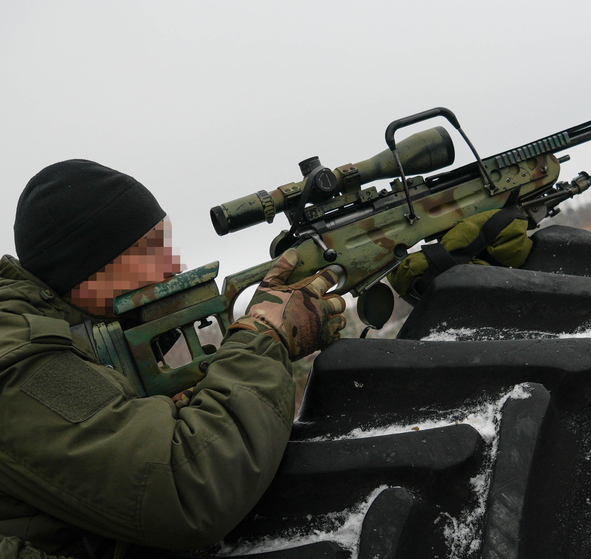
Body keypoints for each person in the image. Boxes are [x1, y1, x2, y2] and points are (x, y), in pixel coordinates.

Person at [0, 159, 346, 558]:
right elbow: (191, 488)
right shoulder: (20, 362)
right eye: (151, 250)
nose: (174, 268)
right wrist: (263, 336)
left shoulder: (76, 343)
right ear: (87, 268)